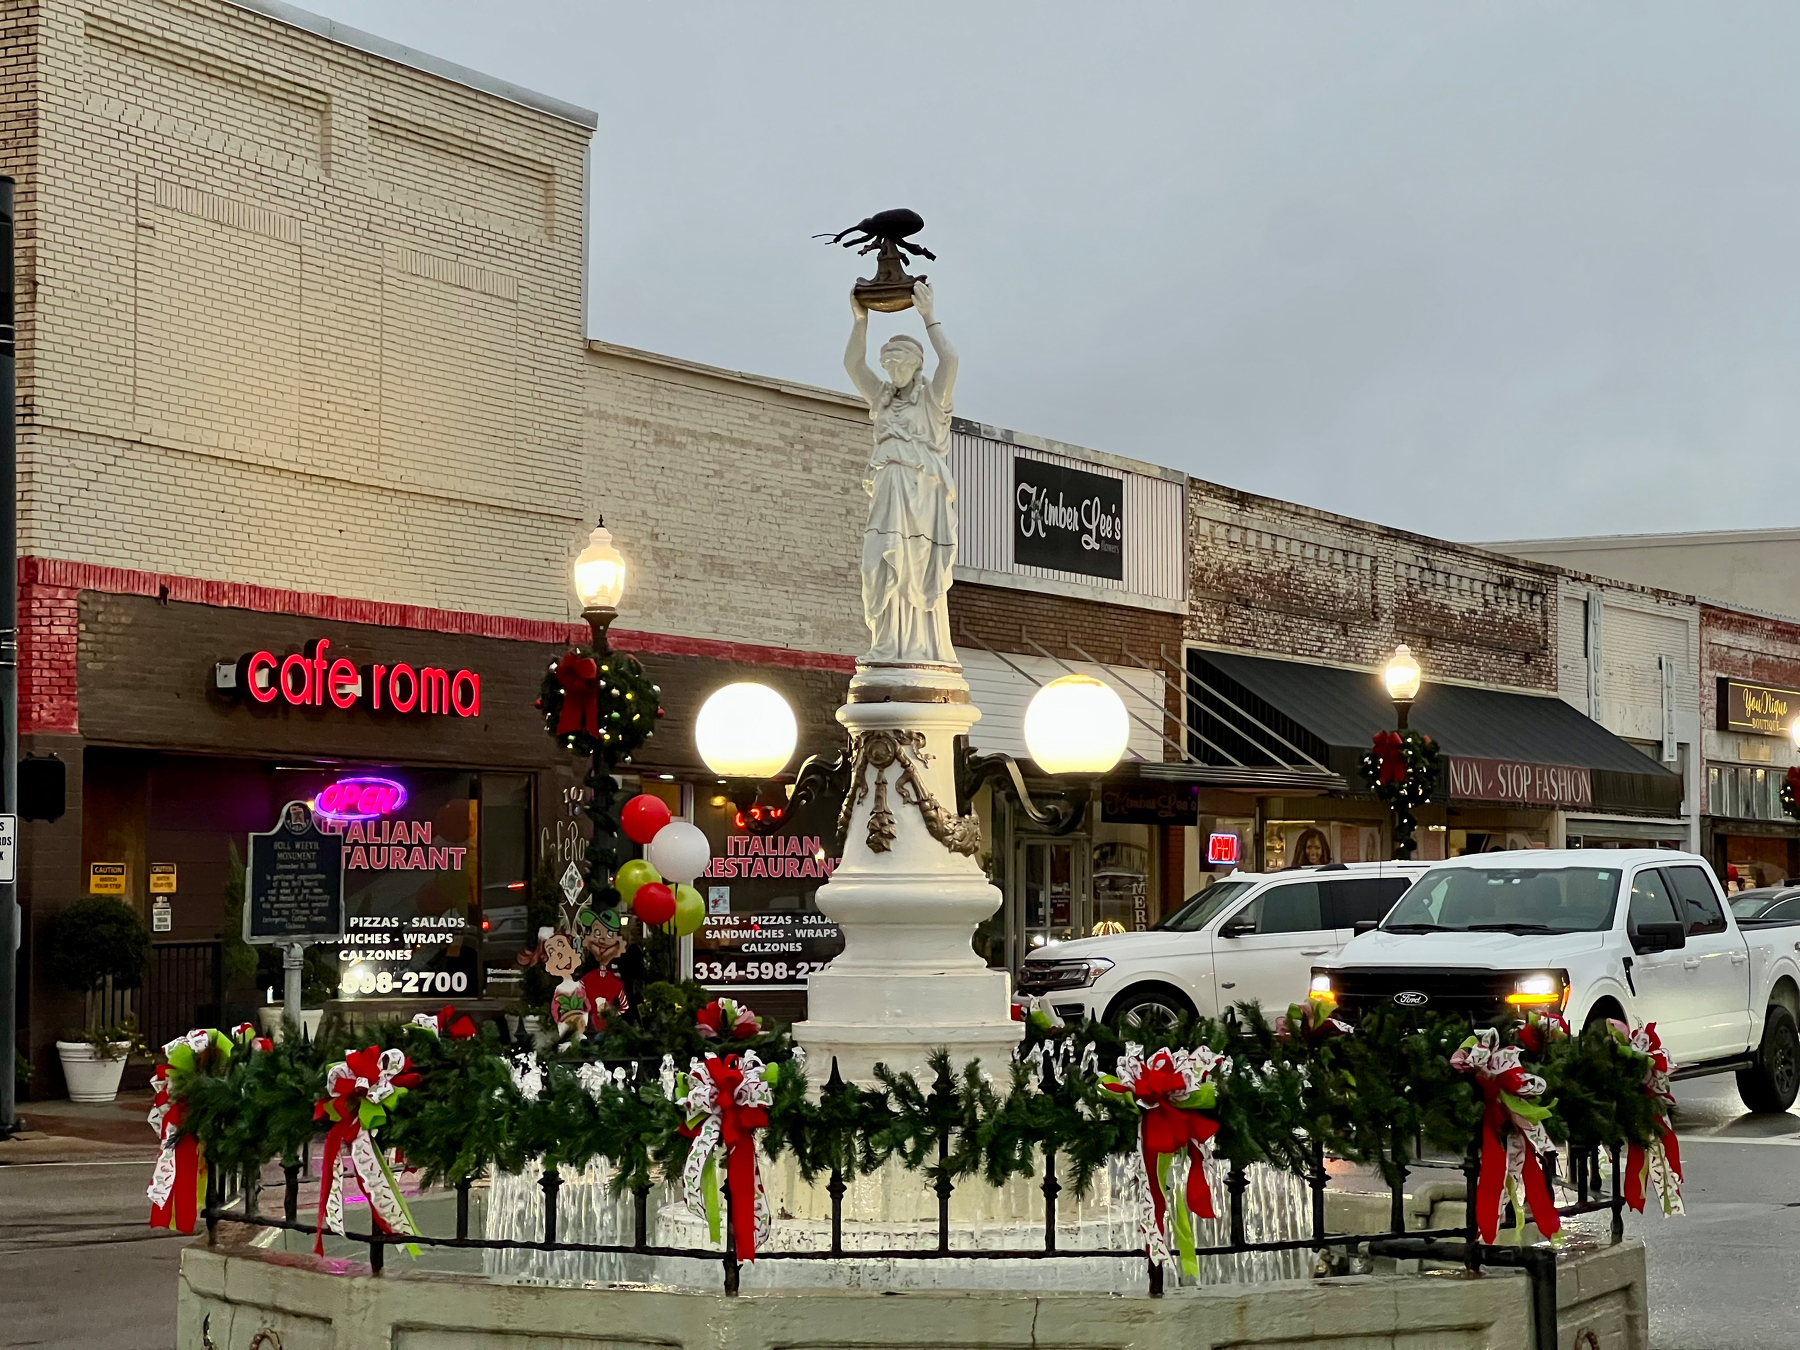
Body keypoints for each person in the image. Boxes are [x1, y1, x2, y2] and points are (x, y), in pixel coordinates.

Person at [843, 280, 960, 666]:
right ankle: (887, 643)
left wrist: (929, 317)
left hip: (921, 494)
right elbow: (853, 365)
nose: (893, 372)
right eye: (889, 365)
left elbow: (951, 361)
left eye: (901, 364)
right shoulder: (882, 399)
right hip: (887, 488)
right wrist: (860, 320)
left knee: (913, 567)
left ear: (917, 365)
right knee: (878, 562)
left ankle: (918, 648)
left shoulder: (932, 400)